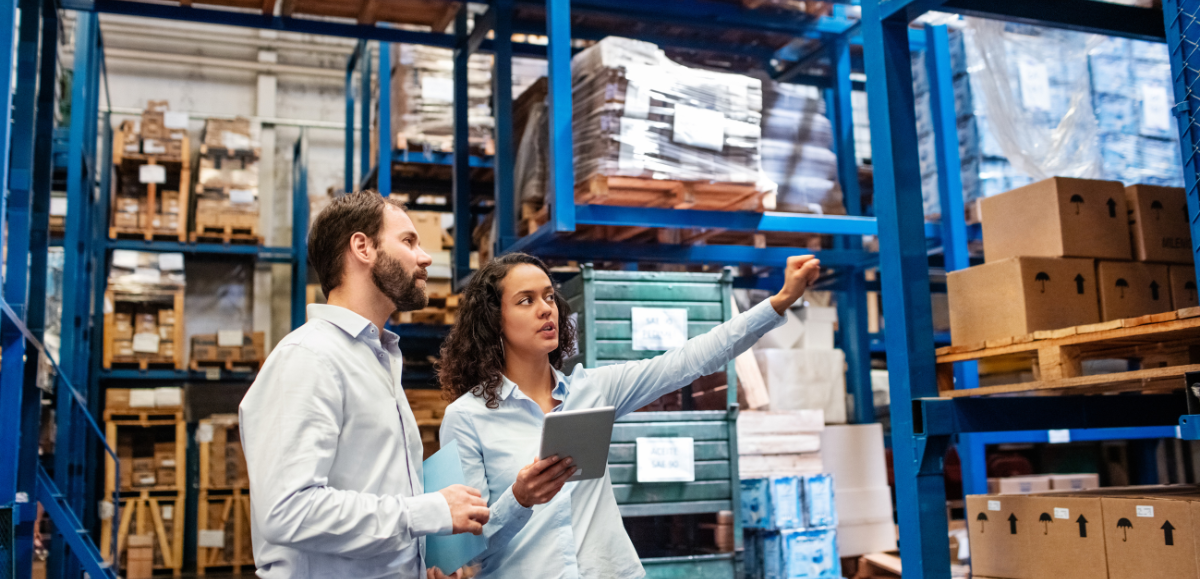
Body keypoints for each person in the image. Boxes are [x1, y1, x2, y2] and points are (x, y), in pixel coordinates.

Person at [436, 252, 821, 578]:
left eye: (549, 297)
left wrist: (781, 301)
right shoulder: (465, 418)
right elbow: (466, 549)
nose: (545, 309)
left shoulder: (593, 390)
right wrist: (520, 498)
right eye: (526, 300)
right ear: (493, 320)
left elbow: (689, 360)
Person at [240, 191, 496, 579]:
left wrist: (422, 561)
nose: (425, 258)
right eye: (408, 241)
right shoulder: (309, 357)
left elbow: (377, 496)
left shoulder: (377, 357)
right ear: (362, 247)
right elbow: (287, 511)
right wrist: (429, 512)